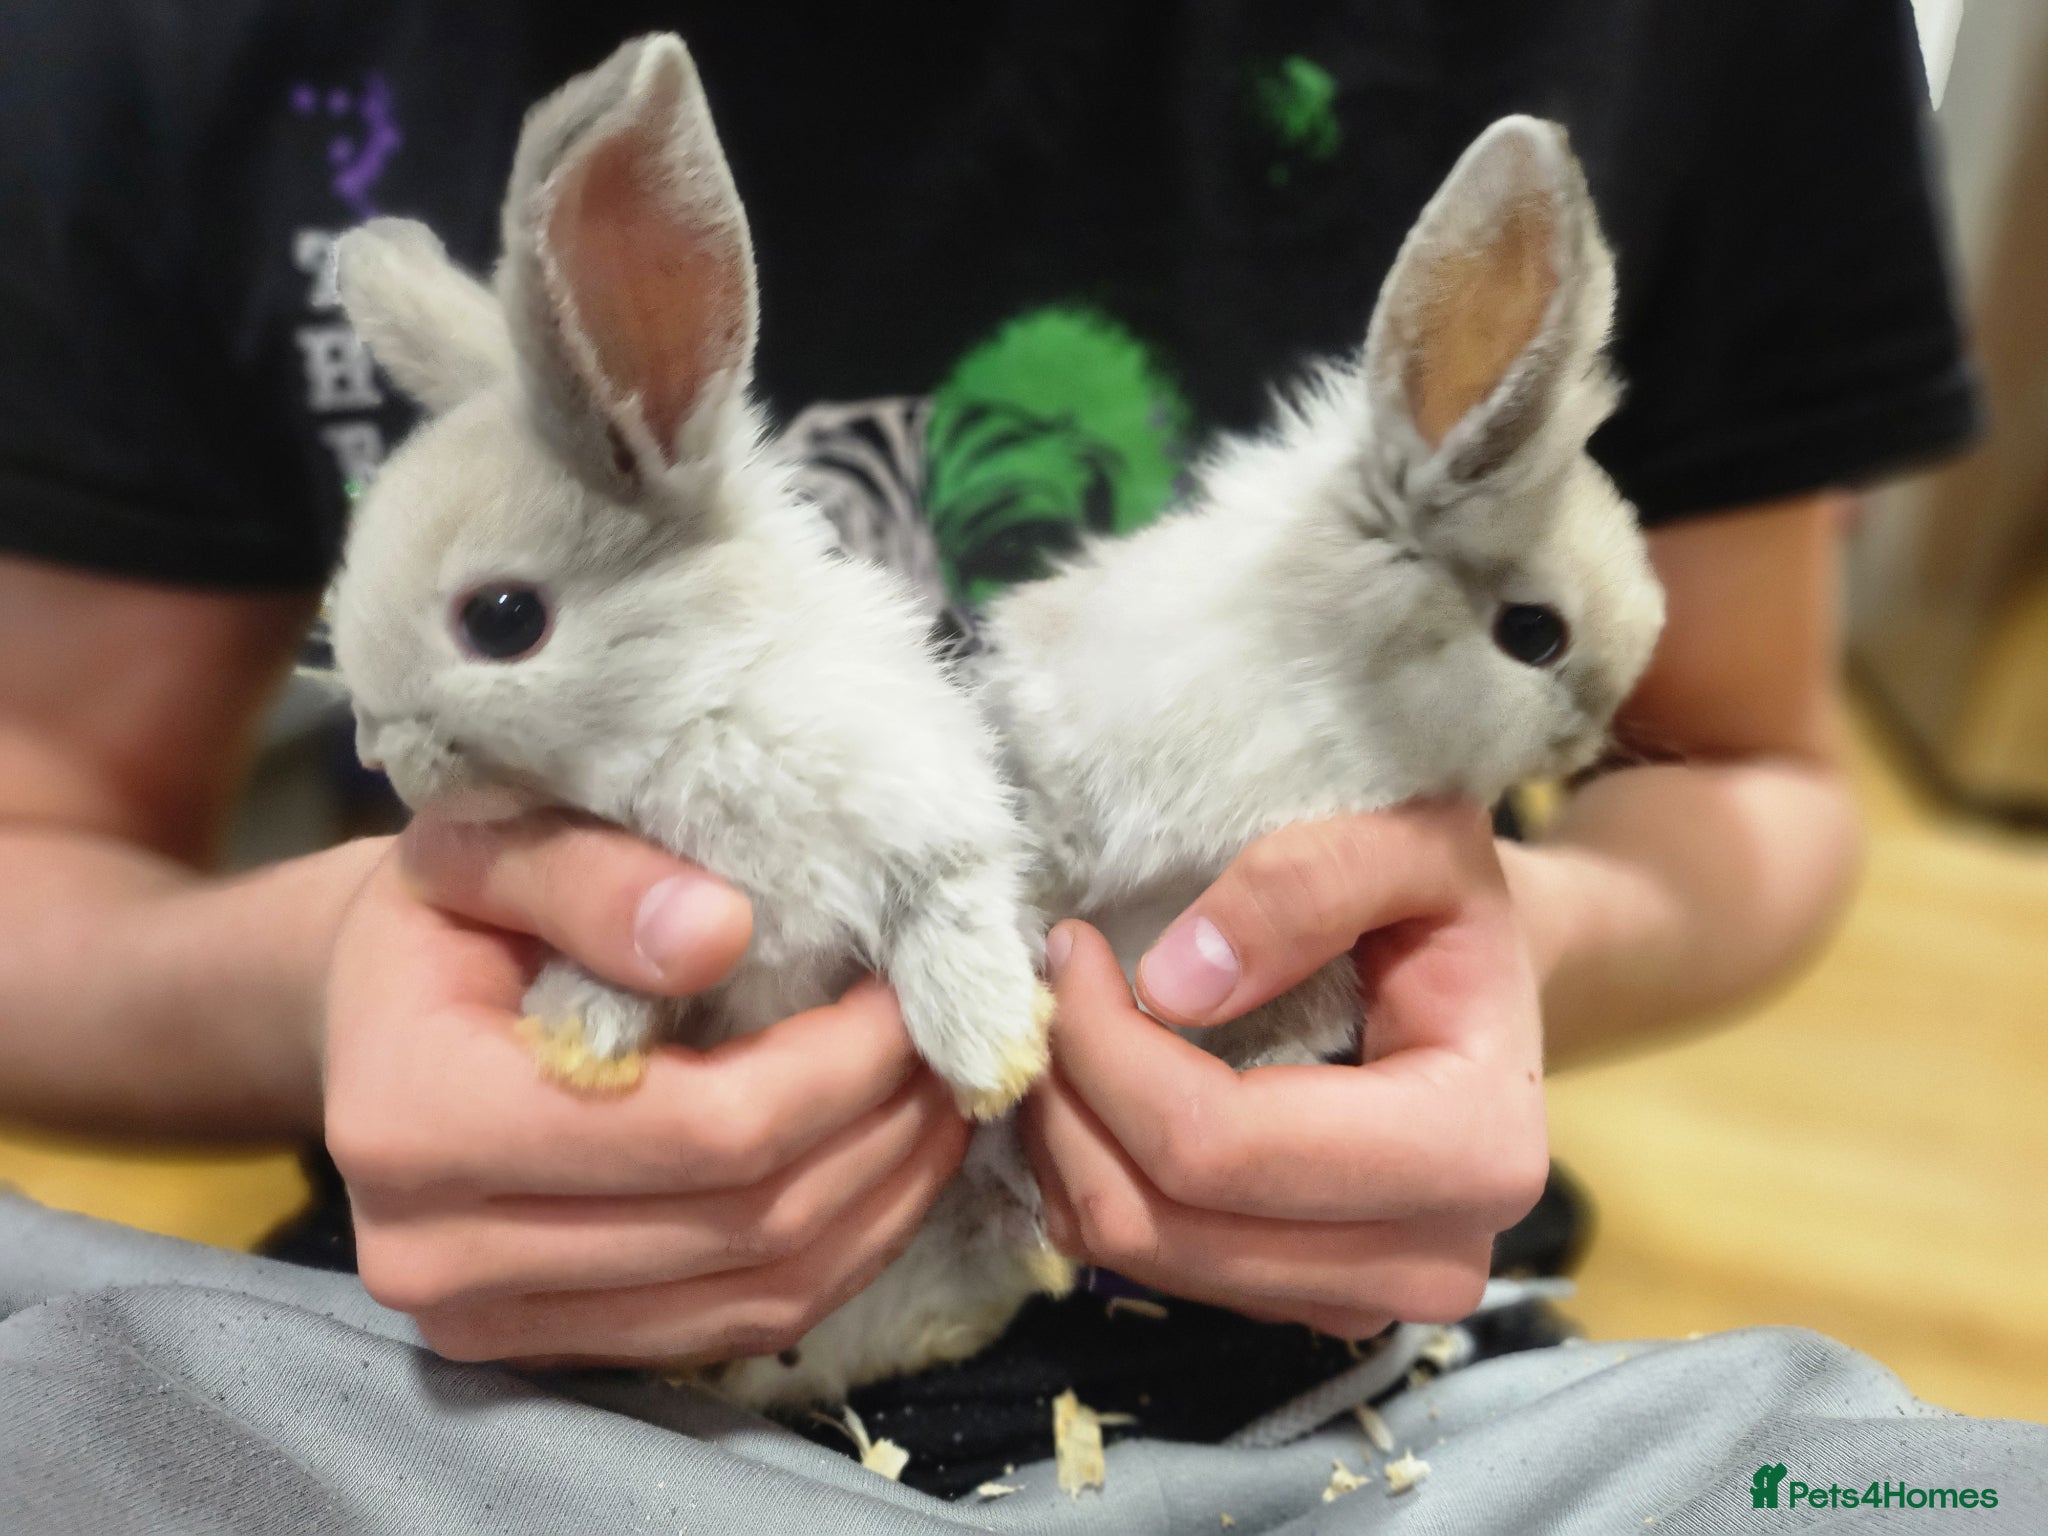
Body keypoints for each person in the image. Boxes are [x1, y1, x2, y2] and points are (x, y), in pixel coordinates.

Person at [3, 2, 2040, 1530]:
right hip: (500, 1351)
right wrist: (357, 961)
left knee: (1916, 1495)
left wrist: (1464, 952)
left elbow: (1744, 777)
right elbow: (46, 839)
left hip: (1360, 1378)